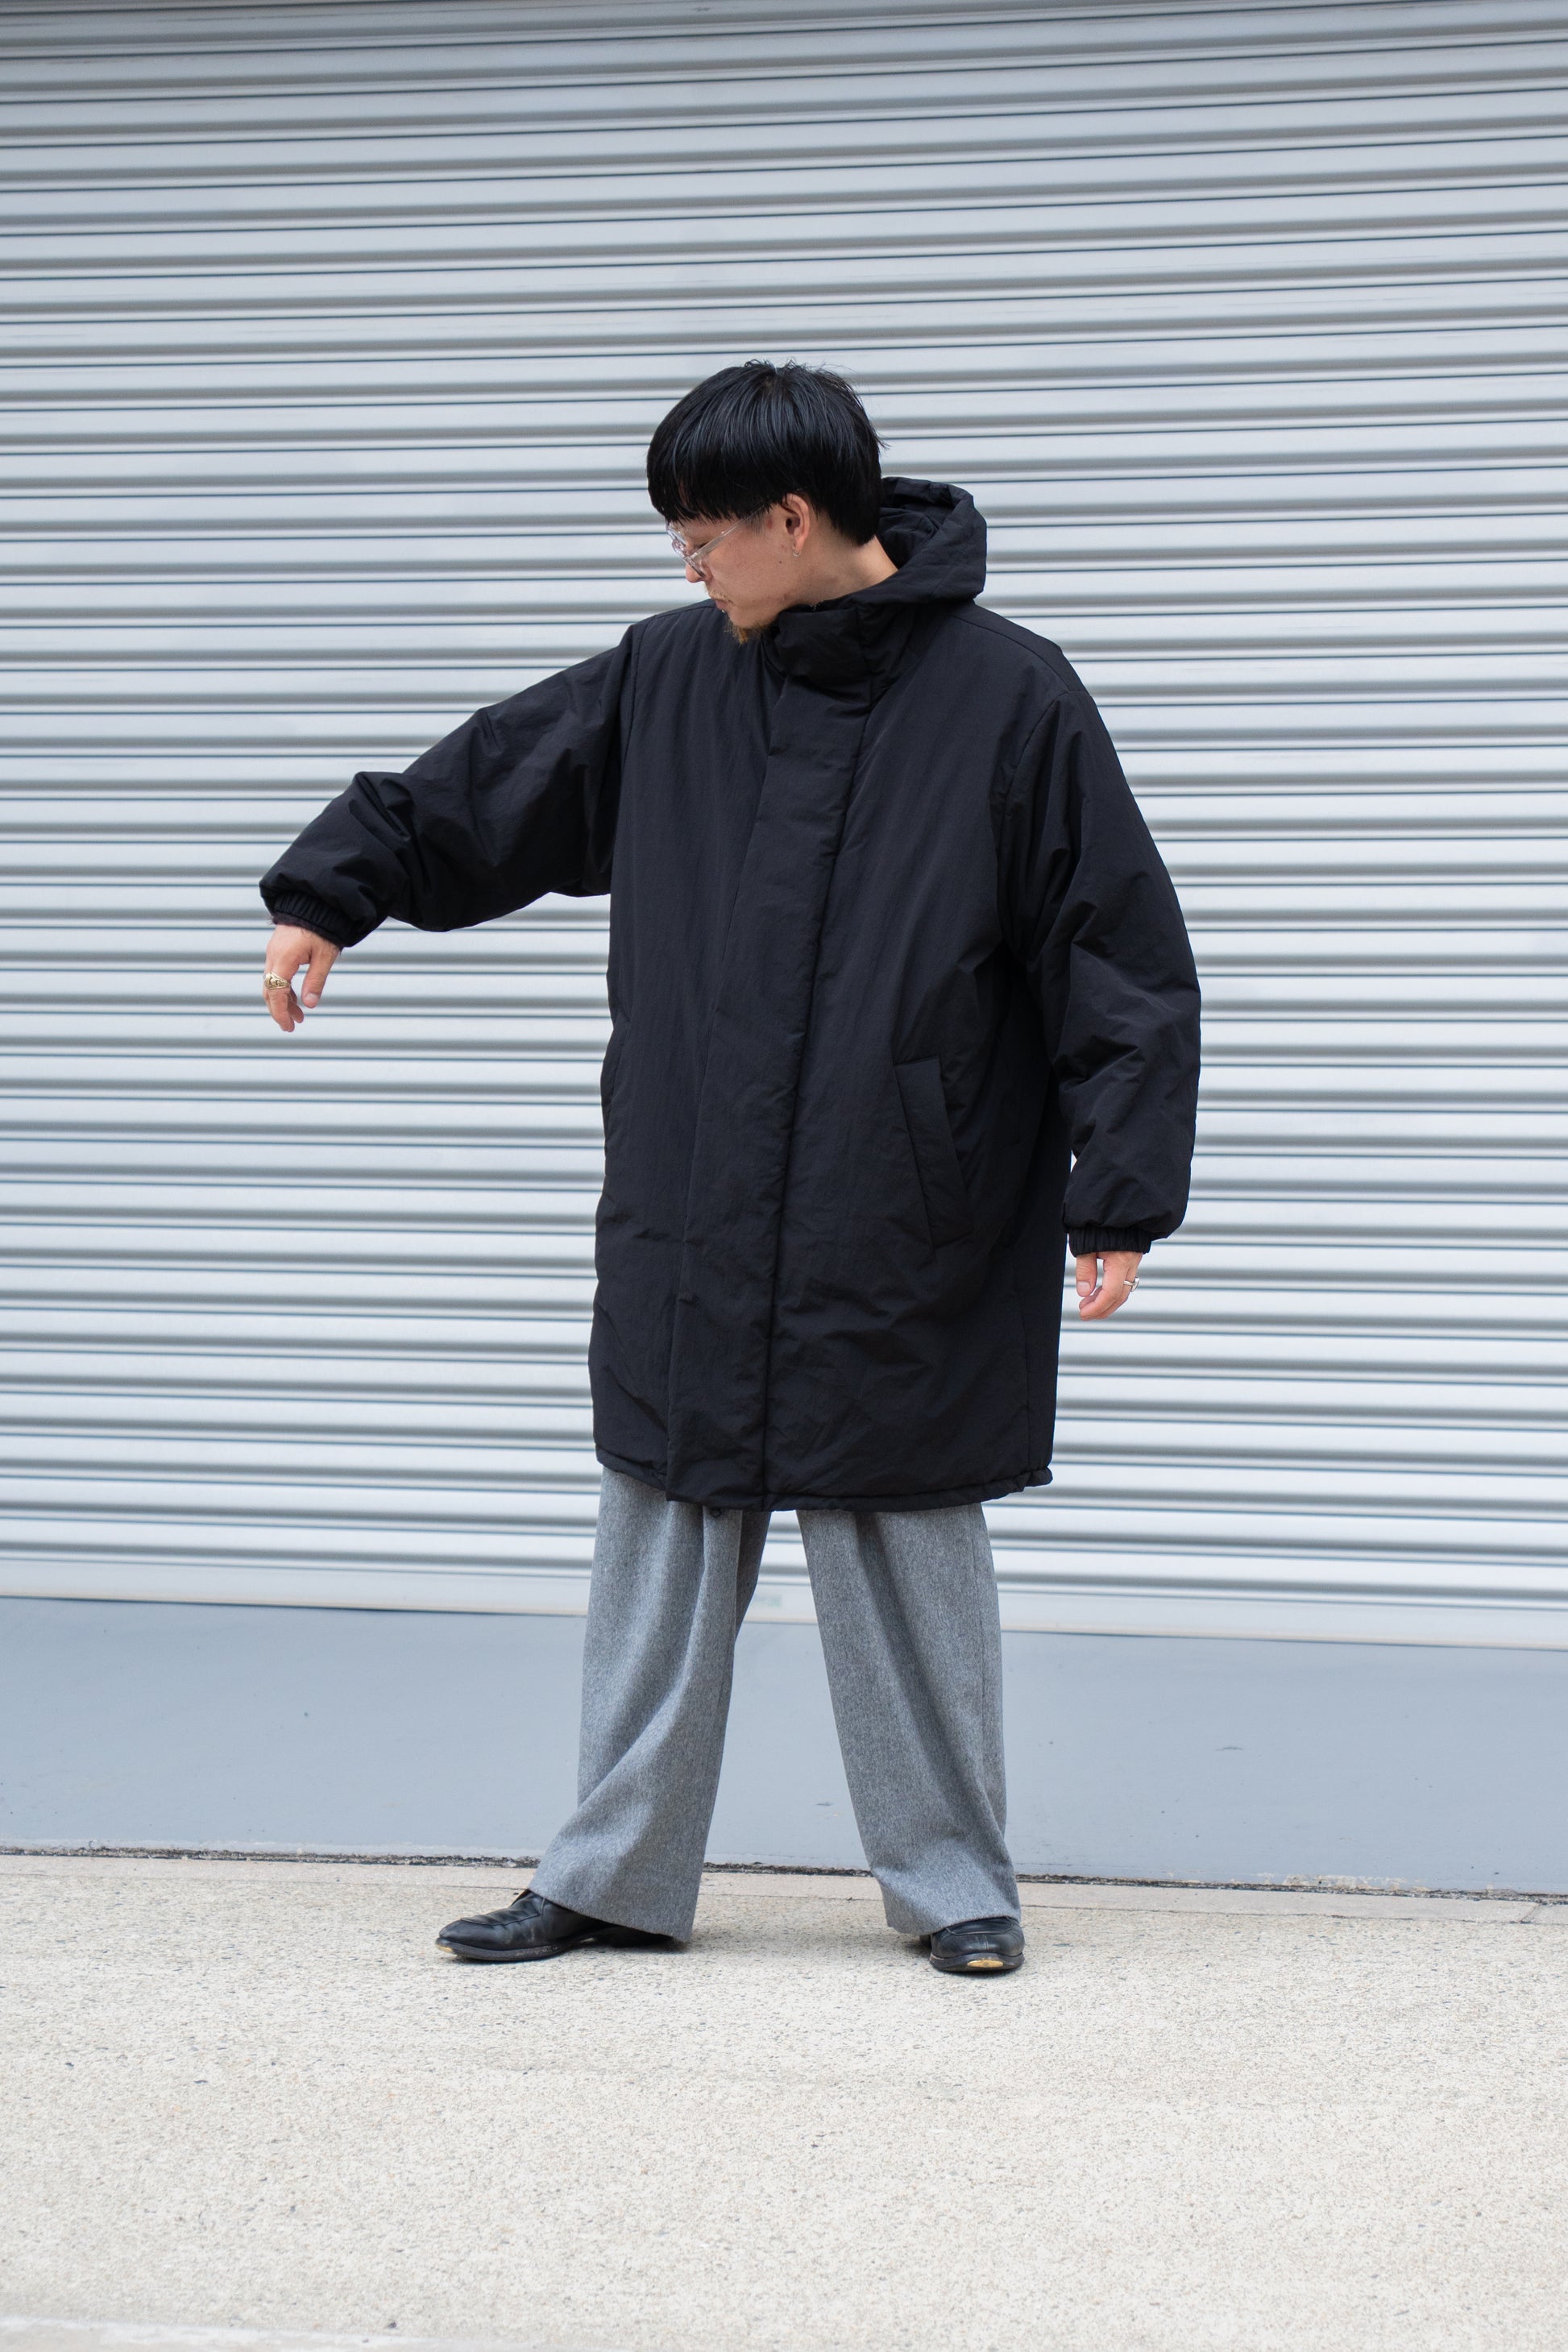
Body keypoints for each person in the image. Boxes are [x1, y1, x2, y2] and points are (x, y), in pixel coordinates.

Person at [259, 362, 1200, 1978]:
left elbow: (1113, 953)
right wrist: (331, 889)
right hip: (696, 1188)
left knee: (904, 1541)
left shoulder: (1009, 697)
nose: (686, 565)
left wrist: (1117, 1185)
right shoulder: (667, 677)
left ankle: (955, 1882)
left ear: (793, 517)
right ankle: (611, 1875)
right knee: (660, 1528)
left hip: (901, 1199)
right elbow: (489, 786)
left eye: (702, 536)